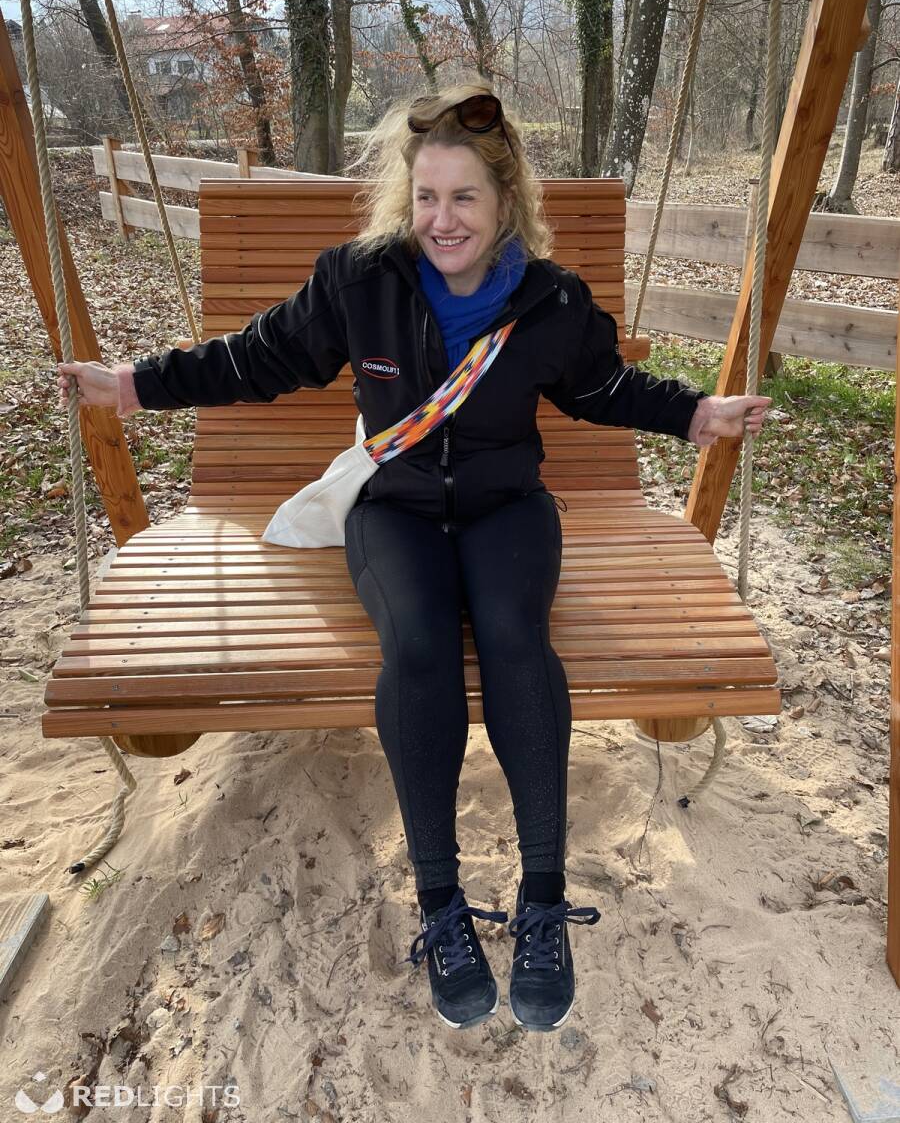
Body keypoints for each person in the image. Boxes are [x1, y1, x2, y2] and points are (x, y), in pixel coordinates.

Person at [59, 83, 771, 1035]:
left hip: (507, 506)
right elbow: (258, 358)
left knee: (516, 636)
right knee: (421, 646)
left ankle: (543, 898)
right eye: (427, 196)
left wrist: (694, 414)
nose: (443, 220)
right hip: (392, 509)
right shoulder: (360, 281)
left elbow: (600, 387)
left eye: (465, 197)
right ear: (408, 197)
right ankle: (442, 904)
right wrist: (132, 385)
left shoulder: (552, 300)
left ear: (506, 201)